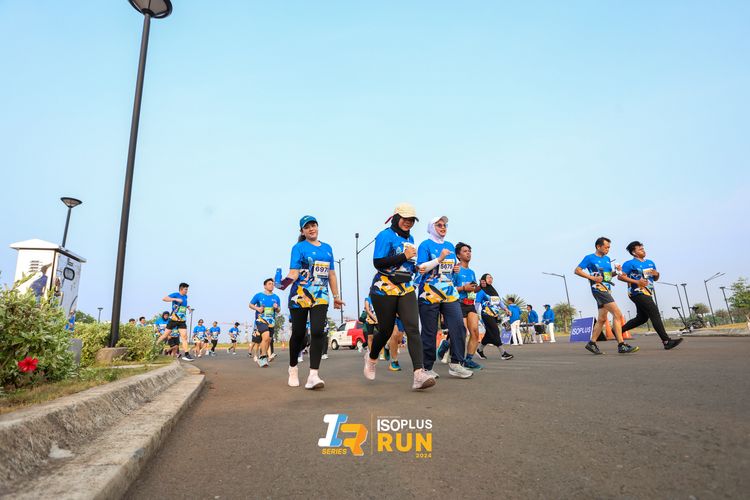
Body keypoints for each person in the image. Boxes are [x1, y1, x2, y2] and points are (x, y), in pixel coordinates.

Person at [363, 204, 436, 390]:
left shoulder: (410, 238)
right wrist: (404, 256)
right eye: (405, 218)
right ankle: (371, 357)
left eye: (411, 220)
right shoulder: (384, 235)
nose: (408, 222)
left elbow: (406, 263)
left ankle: (418, 374)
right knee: (386, 330)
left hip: (405, 287)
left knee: (412, 327)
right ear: (396, 217)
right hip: (384, 288)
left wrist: (415, 267)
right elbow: (378, 262)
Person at [277, 216, 344, 389]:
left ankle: (313, 375)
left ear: (318, 227)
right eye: (307, 227)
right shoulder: (298, 248)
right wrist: (282, 284)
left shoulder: (327, 248)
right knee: (299, 334)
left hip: (321, 295)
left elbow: (331, 274)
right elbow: (294, 273)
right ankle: (293, 368)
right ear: (302, 231)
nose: (311, 229)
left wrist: (336, 296)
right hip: (300, 295)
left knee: (318, 332)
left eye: (313, 225)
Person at [416, 216, 473, 379]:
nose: (443, 227)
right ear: (431, 228)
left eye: (445, 225)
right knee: (429, 331)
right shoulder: (425, 245)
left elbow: (449, 272)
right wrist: (439, 259)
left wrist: (455, 270)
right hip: (429, 292)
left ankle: (456, 363)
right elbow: (421, 267)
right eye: (439, 225)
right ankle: (426, 367)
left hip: (449, 292)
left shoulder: (449, 245)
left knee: (459, 326)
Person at [575, 237, 639, 354]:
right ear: (598, 246)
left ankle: (592, 343)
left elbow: (607, 276)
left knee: (602, 319)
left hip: (607, 289)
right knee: (617, 314)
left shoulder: (607, 259)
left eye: (609, 247)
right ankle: (621, 344)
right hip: (598, 289)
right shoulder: (589, 258)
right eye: (606, 247)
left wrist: (617, 272)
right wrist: (592, 278)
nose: (608, 249)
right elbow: (577, 270)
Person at [618, 241, 683, 350]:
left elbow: (655, 278)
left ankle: (617, 331)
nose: (643, 250)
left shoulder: (650, 263)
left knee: (642, 318)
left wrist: (657, 274)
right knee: (654, 313)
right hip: (637, 292)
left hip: (648, 292)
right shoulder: (629, 264)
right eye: (640, 249)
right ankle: (666, 341)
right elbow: (620, 277)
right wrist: (637, 281)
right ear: (634, 252)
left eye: (643, 248)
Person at [455, 242, 483, 369]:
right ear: (458, 255)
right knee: (462, 333)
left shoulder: (472, 272)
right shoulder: (455, 270)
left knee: (475, 332)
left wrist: (480, 287)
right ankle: (445, 346)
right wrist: (463, 288)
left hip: (470, 304)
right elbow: (449, 288)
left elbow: (473, 290)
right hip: (458, 304)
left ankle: (468, 360)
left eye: (469, 251)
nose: (468, 253)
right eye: (465, 251)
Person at [475, 274, 514, 360]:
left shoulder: (493, 291)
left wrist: (506, 309)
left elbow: (500, 302)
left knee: (489, 334)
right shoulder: (481, 291)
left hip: (495, 315)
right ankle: (503, 353)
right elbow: (477, 304)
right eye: (488, 277)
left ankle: (479, 350)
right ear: (483, 280)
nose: (490, 279)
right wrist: (475, 315)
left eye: (491, 278)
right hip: (486, 315)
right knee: (495, 331)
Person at [250, 279, 281, 367]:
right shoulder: (259, 295)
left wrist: (276, 307)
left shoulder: (276, 297)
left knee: (268, 340)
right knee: (266, 336)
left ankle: (262, 356)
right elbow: (250, 304)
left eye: (273, 284)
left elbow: (279, 310)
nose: (272, 285)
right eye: (269, 284)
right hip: (261, 320)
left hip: (271, 321)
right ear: (265, 286)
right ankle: (263, 357)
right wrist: (257, 308)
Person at [162, 282, 194, 361]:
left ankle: (186, 354)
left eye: (187, 289)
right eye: (186, 289)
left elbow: (184, 304)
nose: (187, 291)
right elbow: (164, 298)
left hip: (182, 320)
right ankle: (154, 347)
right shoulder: (176, 294)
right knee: (164, 335)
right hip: (174, 319)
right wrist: (175, 299)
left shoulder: (185, 296)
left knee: (184, 337)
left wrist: (188, 308)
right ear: (181, 289)